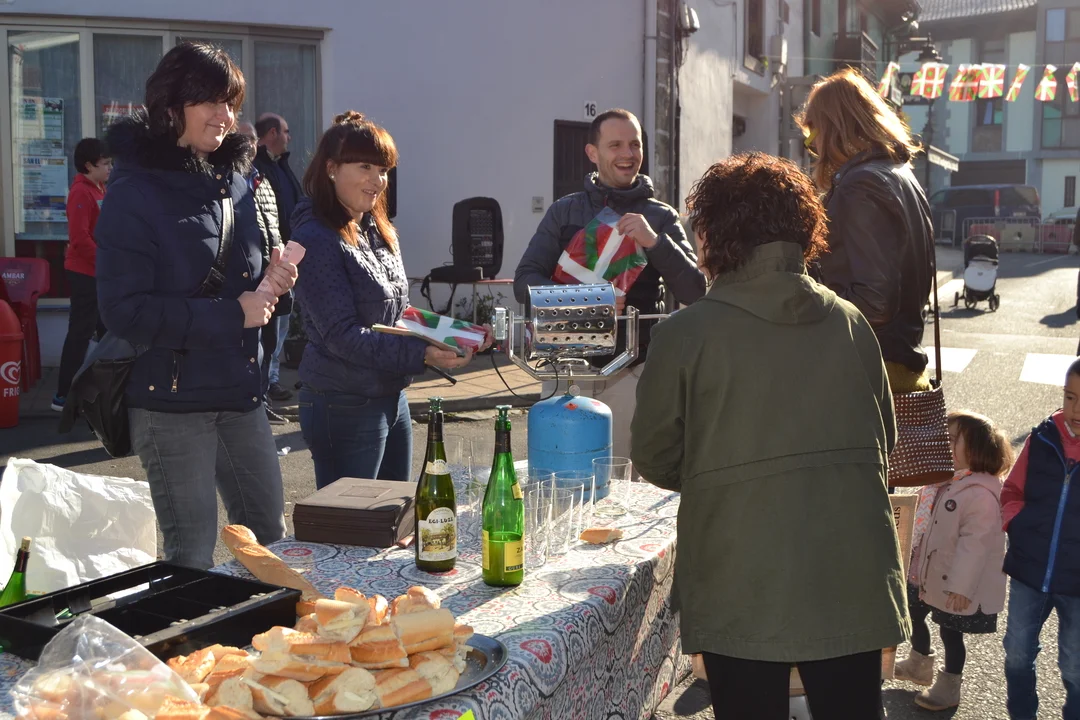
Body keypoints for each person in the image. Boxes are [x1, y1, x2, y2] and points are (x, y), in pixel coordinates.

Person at [630, 152, 908, 720]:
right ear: (803, 229)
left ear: (714, 235)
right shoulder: (850, 322)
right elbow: (885, 438)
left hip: (740, 575)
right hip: (850, 571)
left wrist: (722, 473)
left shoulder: (686, 333)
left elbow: (655, 457)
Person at [95, 42, 297, 570]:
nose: (224, 115)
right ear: (170, 105)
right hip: (170, 403)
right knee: (191, 554)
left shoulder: (237, 181)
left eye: (231, 102)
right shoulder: (134, 191)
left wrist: (275, 281)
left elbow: (246, 281)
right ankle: (192, 629)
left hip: (240, 392)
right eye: (209, 100)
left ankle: (264, 627)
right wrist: (235, 314)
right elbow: (124, 311)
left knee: (269, 540)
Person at [292, 111, 485, 490]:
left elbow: (398, 314)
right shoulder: (316, 237)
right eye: (365, 167)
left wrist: (457, 334)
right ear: (331, 169)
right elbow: (342, 336)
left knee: (393, 512)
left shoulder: (378, 230)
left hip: (390, 394)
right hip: (343, 400)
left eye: (383, 170)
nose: (377, 180)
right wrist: (423, 354)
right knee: (352, 519)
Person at [514, 108, 705, 459]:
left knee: (624, 477)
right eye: (615, 145)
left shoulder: (661, 216)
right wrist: (589, 300)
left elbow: (695, 291)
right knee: (560, 473)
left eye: (635, 144)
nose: (628, 154)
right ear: (593, 152)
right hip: (566, 368)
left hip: (632, 371)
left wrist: (655, 242)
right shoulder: (563, 211)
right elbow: (524, 282)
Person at [797, 69, 934, 395]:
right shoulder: (900, 174)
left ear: (834, 126)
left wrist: (806, 309)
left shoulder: (861, 184)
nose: (812, 146)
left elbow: (874, 301)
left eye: (812, 133)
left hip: (867, 369)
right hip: (896, 362)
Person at [894, 410, 1011, 711]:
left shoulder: (980, 494)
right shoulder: (946, 480)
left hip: (955, 580)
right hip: (928, 571)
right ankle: (918, 662)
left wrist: (961, 586)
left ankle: (949, 685)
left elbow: (975, 547)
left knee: (951, 632)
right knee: (912, 612)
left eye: (952, 440)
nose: (944, 446)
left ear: (976, 449)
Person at [1001, 358, 1080, 720]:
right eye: (1070, 397)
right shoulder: (1043, 437)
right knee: (1017, 654)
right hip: (1029, 570)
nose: (1075, 409)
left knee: (1075, 667)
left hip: (1076, 582)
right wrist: (1017, 524)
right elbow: (1011, 492)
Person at [52, 138, 111, 412]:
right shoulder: (80, 193)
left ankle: (106, 393)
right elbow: (79, 239)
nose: (110, 168)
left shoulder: (100, 189)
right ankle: (62, 395)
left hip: (100, 274)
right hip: (85, 275)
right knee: (81, 333)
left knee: (109, 333)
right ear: (89, 166)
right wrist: (106, 261)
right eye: (105, 163)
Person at [237, 120, 287, 425]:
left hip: (272, 277)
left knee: (269, 345)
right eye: (242, 139)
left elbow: (274, 225)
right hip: (246, 282)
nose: (249, 145)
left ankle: (262, 400)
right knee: (250, 346)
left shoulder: (262, 178)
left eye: (252, 139)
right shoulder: (227, 180)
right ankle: (250, 406)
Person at [254, 112, 302, 404]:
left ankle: (269, 381)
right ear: (272, 133)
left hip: (287, 258)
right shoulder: (257, 168)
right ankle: (266, 384)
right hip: (270, 261)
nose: (289, 137)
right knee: (269, 326)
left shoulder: (280, 166)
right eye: (285, 131)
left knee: (280, 323)